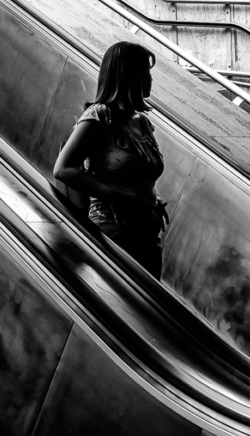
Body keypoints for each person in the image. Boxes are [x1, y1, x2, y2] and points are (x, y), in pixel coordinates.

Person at [54, 41, 167, 279]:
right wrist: (118, 197)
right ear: (129, 75)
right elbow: (63, 169)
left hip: (148, 233)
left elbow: (140, 177)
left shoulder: (142, 122)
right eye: (146, 72)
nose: (150, 79)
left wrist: (152, 201)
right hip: (115, 231)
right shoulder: (99, 117)